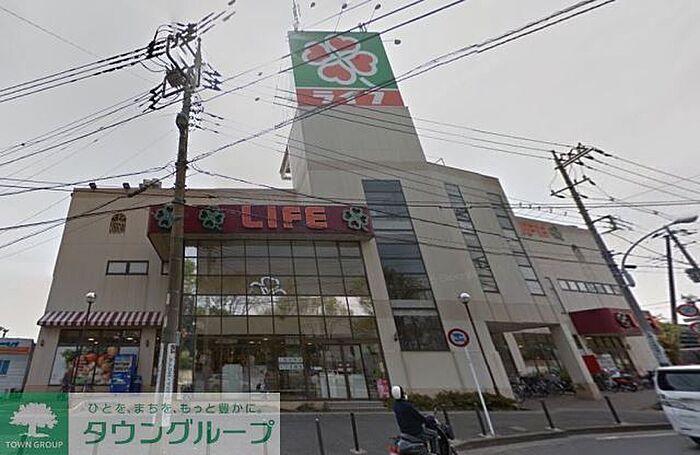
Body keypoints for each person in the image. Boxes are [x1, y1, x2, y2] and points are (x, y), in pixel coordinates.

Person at [392, 385, 437, 451]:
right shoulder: (408, 406)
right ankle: (435, 452)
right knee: (434, 435)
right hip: (416, 431)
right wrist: (428, 419)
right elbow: (419, 417)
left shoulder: (396, 406)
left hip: (405, 431)